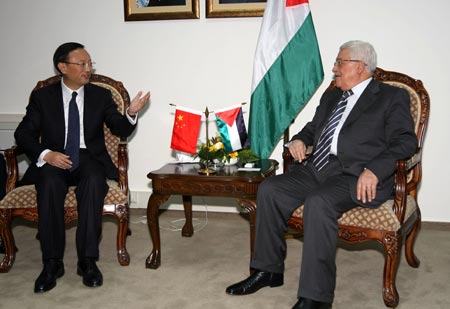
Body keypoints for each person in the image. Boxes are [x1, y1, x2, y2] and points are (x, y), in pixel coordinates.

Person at [225, 40, 417, 308]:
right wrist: (300, 140)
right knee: (270, 189)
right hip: (319, 167)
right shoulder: (332, 95)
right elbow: (313, 128)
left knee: (319, 202)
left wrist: (375, 169)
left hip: (357, 175)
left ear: (361, 67)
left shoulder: (390, 97)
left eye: (340, 62)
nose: (335, 68)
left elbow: (406, 142)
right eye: (336, 63)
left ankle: (315, 298)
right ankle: (267, 271)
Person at [14, 42, 150, 293]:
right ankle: (52, 263)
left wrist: (130, 113)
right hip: (55, 156)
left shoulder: (100, 95)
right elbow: (23, 133)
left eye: (90, 63)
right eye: (82, 64)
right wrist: (46, 154)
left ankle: (87, 261)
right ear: (62, 67)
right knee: (50, 182)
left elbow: (120, 128)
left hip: (89, 157)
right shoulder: (43, 96)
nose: (88, 68)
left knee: (94, 181)